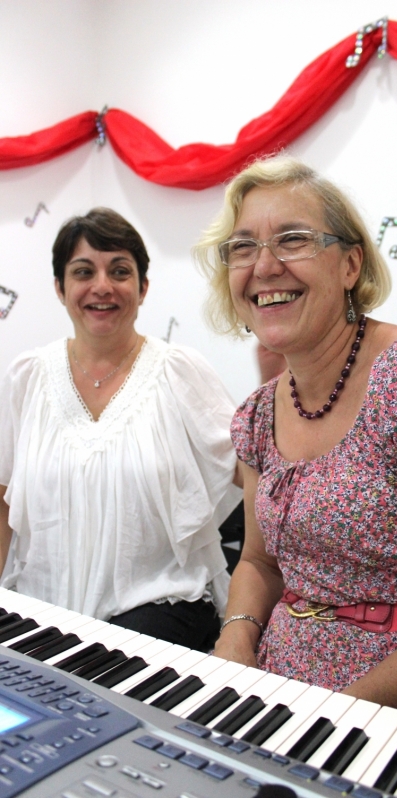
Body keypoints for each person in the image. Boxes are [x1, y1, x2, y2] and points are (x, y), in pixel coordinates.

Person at [195, 155, 397, 742]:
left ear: (351, 264)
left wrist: (332, 720)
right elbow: (257, 562)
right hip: (287, 691)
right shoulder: (256, 416)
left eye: (292, 239)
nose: (264, 266)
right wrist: (237, 635)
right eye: (243, 248)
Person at [0, 207, 241, 652]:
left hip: (159, 606)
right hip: (40, 610)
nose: (102, 286)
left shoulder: (180, 372)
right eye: (83, 271)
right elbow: (2, 499)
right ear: (60, 287)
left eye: (120, 271)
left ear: (143, 288)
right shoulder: (26, 376)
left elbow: (253, 470)